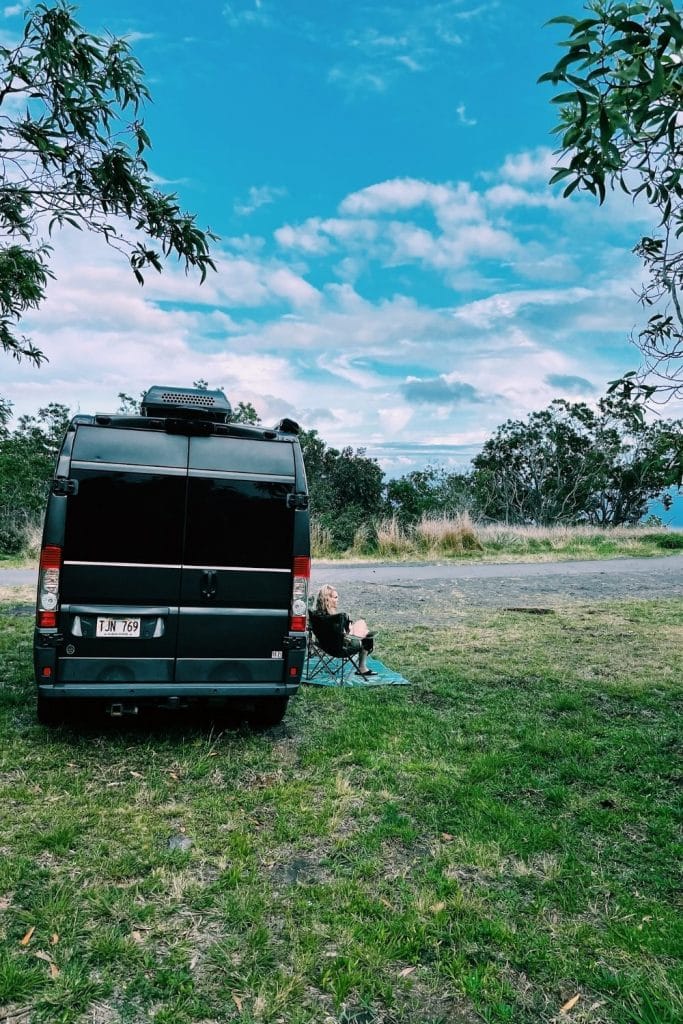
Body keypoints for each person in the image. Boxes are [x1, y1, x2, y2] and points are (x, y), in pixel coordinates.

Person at [313, 584, 376, 677]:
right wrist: (348, 631)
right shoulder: (335, 619)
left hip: (324, 645)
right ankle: (362, 667)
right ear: (327, 599)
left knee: (361, 624)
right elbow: (343, 638)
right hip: (340, 649)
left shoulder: (315, 616)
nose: (337, 599)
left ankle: (365, 635)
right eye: (335, 597)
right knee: (367, 637)